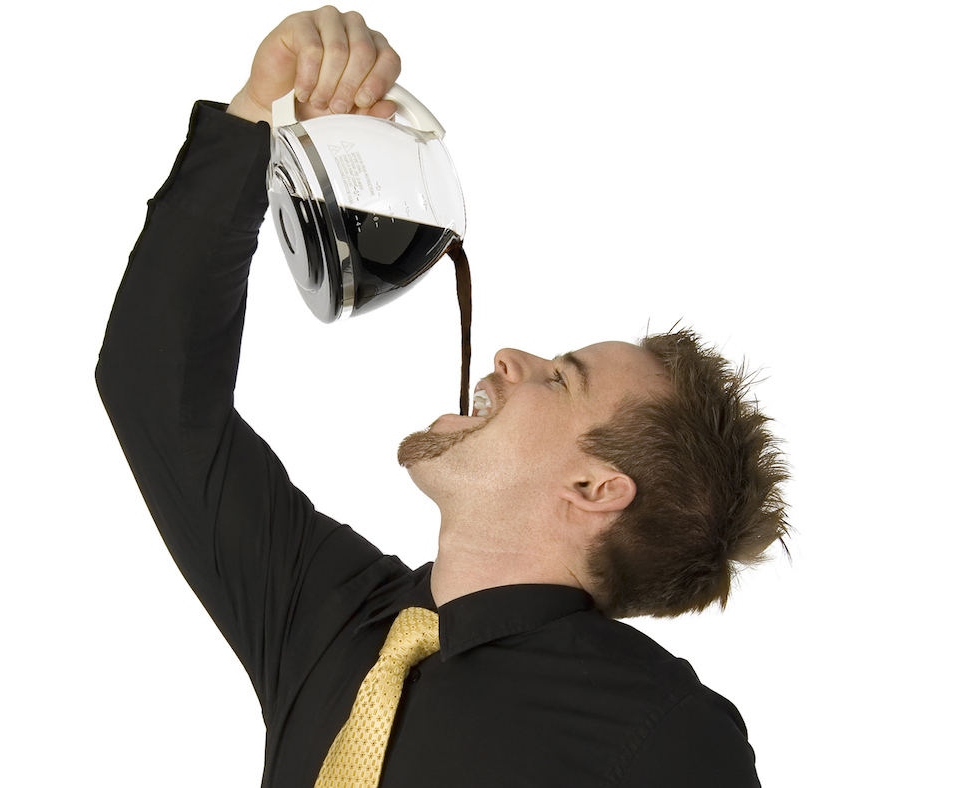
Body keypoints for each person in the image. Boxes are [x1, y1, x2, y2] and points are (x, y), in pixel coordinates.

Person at [97, 7, 788, 787]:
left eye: (561, 378)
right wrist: (262, 110)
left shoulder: (663, 731)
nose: (510, 357)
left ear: (595, 488)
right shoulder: (330, 616)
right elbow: (155, 387)